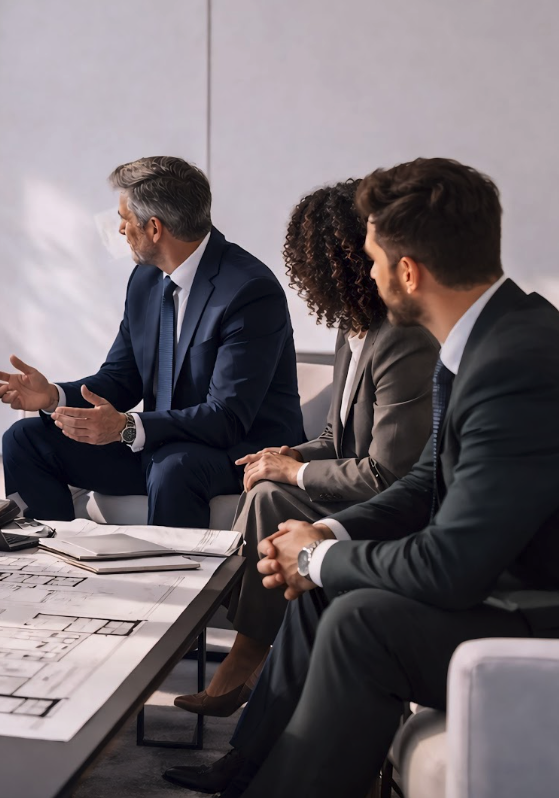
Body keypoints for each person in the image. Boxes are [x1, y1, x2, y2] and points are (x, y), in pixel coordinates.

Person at [168, 158, 559, 798]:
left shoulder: (515, 364)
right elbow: (428, 479)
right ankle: (251, 772)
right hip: (505, 579)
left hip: (538, 606)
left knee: (361, 621)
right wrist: (327, 529)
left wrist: (318, 557)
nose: (368, 274)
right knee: (327, 591)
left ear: (408, 271)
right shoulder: (485, 339)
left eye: (375, 258)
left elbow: (450, 565)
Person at [169, 180, 438, 722]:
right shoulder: (354, 330)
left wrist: (291, 472)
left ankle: (246, 653)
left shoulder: (402, 339)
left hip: (396, 511)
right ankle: (250, 652)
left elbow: (390, 473)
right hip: (360, 493)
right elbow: (340, 442)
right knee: (267, 482)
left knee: (272, 494)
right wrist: (290, 452)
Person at [0, 156, 303, 528]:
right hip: (159, 444)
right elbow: (121, 379)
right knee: (25, 438)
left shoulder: (248, 291)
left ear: (154, 228)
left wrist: (127, 427)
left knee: (174, 467)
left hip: (236, 450)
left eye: (124, 217)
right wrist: (54, 396)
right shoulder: (145, 281)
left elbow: (227, 417)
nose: (120, 229)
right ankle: (53, 565)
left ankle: (173, 584)